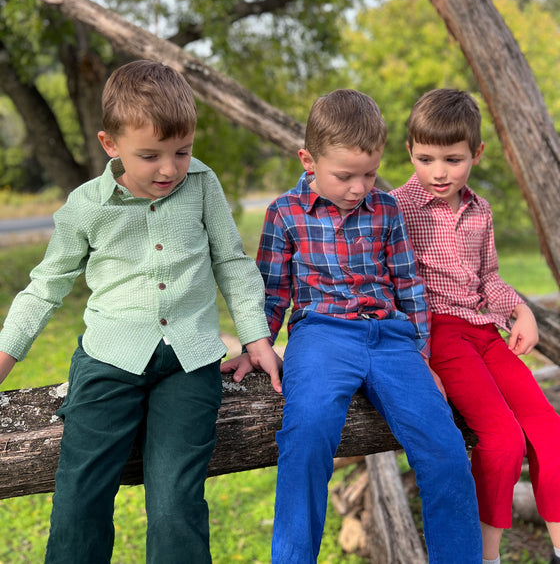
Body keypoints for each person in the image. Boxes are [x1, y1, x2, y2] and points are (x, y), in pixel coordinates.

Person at [0, 60, 281, 564]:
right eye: (150, 156)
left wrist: (256, 337)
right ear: (111, 145)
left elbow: (231, 262)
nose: (170, 169)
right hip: (108, 361)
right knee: (79, 498)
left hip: (189, 364)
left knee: (176, 503)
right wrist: (5, 357)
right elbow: (45, 287)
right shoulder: (85, 206)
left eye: (182, 151)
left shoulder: (202, 184)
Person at [222, 88, 482, 563]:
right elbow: (273, 291)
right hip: (321, 335)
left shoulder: (387, 209)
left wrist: (423, 355)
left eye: (369, 173)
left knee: (443, 446)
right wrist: (253, 343)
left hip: (391, 339)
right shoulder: (284, 213)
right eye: (345, 175)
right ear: (308, 160)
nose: (359, 187)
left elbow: (409, 285)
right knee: (308, 431)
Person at [391, 88, 560, 564]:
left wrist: (519, 311)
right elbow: (391, 288)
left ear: (476, 154)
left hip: (486, 331)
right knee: (503, 439)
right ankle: (488, 558)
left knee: (549, 429)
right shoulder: (395, 209)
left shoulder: (480, 211)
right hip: (440, 333)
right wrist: (417, 358)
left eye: (453, 159)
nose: (439, 172)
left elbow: (488, 277)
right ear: (409, 152)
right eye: (426, 158)